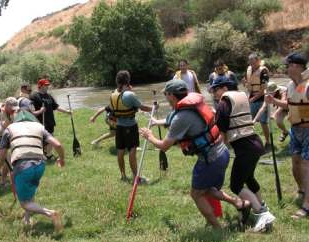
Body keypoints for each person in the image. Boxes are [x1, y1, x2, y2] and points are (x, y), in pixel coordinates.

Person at [140, 79, 249, 229]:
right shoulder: (192, 106)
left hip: (209, 159)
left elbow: (164, 146)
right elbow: (177, 120)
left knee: (196, 194)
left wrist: (149, 136)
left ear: (172, 95)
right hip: (221, 152)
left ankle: (218, 228)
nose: (165, 97)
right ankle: (240, 203)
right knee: (208, 190)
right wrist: (156, 121)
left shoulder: (181, 116)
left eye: (166, 94)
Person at [209, 76, 276, 232]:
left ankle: (261, 212)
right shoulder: (242, 96)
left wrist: (218, 151)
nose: (214, 93)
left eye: (216, 90)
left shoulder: (224, 103)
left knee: (236, 185)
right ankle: (262, 205)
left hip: (245, 148)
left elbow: (221, 132)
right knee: (249, 178)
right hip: (255, 143)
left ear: (225, 88)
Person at [0, 107, 65, 231]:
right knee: (30, 190)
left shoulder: (9, 129)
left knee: (24, 203)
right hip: (40, 165)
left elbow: (1, 155)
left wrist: (0, 167)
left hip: (23, 167)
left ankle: (50, 213)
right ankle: (27, 219)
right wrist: (62, 159)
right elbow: (58, 144)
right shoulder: (39, 127)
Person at [265, 52, 309, 219]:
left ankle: (307, 205)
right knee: (295, 164)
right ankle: (303, 190)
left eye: (288, 65)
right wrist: (275, 102)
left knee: (306, 166)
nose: (286, 68)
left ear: (296, 67)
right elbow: (291, 105)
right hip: (296, 130)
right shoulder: (291, 85)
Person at [110, 70, 153, 182]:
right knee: (132, 151)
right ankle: (136, 177)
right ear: (127, 80)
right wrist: (153, 108)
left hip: (119, 127)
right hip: (130, 126)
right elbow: (142, 107)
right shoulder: (130, 94)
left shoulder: (113, 94)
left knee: (120, 151)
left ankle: (123, 175)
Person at [30, 78, 71, 160]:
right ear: (40, 86)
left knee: (50, 138)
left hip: (50, 121)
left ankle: (48, 155)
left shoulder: (49, 96)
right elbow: (31, 110)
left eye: (47, 85)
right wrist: (40, 111)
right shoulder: (34, 96)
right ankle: (40, 155)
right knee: (41, 140)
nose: (47, 86)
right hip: (40, 122)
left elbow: (56, 107)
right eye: (45, 85)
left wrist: (67, 111)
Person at [243, 53, 271, 152]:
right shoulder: (249, 69)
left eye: (254, 63)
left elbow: (263, 89)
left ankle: (268, 142)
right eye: (250, 63)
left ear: (258, 61)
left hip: (262, 98)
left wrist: (253, 98)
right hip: (252, 97)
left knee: (263, 122)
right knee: (249, 122)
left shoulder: (263, 71)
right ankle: (253, 143)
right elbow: (248, 84)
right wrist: (245, 84)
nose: (252, 65)